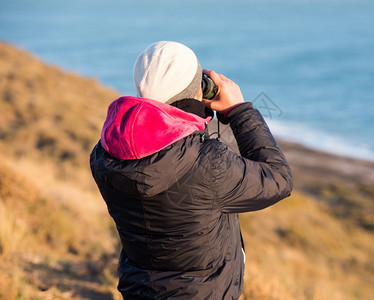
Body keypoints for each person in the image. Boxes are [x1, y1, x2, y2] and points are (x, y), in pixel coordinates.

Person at [90, 41, 293, 300]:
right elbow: (279, 179)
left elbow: (171, 152)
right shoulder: (206, 163)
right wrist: (240, 111)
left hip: (139, 289)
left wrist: (194, 116)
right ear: (198, 90)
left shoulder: (105, 153)